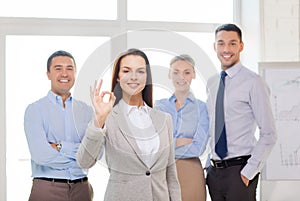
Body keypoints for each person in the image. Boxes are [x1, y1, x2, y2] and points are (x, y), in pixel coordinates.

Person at [76, 48, 182, 201]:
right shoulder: (108, 117)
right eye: (126, 71)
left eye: (140, 71)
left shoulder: (164, 119)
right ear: (118, 77)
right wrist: (99, 120)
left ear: (147, 77)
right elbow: (84, 161)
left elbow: (171, 175)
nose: (134, 77)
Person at [205, 23, 277, 201]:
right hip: (215, 173)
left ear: (241, 46)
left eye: (232, 43)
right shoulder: (212, 83)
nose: (226, 49)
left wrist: (248, 172)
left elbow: (269, 133)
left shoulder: (254, 82)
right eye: (221, 43)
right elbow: (212, 126)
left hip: (240, 170)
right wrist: (208, 164)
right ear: (215, 47)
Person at [24, 50, 94, 201]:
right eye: (58, 68)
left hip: (82, 190)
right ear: (48, 74)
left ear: (75, 73)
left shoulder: (87, 111)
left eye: (69, 68)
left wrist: (60, 147)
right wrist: (80, 156)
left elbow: (95, 155)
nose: (64, 73)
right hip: (47, 189)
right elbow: (41, 156)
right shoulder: (35, 110)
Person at [155, 54, 209, 201]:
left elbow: (199, 147)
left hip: (190, 171)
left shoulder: (202, 108)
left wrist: (169, 143)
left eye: (186, 72)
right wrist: (180, 141)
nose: (181, 77)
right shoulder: (158, 107)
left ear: (193, 75)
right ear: (169, 74)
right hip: (162, 171)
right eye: (176, 72)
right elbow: (154, 145)